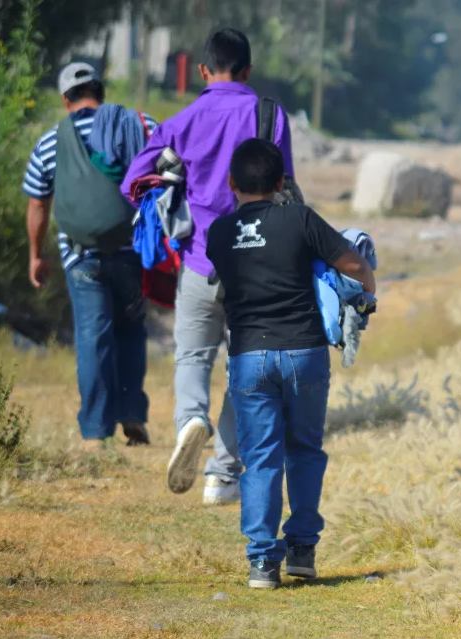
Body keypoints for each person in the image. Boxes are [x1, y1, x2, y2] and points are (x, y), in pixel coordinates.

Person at [122, 28, 295, 505]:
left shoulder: (183, 119)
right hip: (258, 269)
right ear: (248, 70)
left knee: (193, 357)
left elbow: (133, 181)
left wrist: (174, 174)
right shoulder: (269, 115)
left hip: (200, 262)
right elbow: (287, 185)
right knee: (246, 369)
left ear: (203, 71)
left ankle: (190, 421)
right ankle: (221, 474)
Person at [206, 138, 375, 589]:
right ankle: (301, 549)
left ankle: (263, 563)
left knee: (260, 459)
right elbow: (353, 264)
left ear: (231, 183)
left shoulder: (218, 233)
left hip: (249, 357)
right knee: (304, 450)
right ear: (281, 182)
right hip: (304, 352)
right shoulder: (299, 219)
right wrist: (369, 288)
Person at [23, 62, 157, 451]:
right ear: (101, 91)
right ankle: (132, 413)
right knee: (131, 330)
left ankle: (96, 432)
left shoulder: (50, 141)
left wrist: (35, 255)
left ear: (66, 100)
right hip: (132, 251)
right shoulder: (138, 124)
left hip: (81, 255)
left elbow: (37, 204)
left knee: (93, 336)